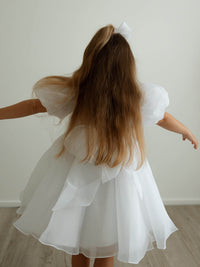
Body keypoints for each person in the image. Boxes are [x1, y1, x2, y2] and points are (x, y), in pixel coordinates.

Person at [0, 22, 198, 267]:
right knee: (107, 240)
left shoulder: (76, 90)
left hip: (77, 164)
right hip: (120, 171)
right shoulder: (137, 95)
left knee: (78, 234)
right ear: (128, 64)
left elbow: (32, 106)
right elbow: (164, 118)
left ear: (90, 58)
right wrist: (185, 130)